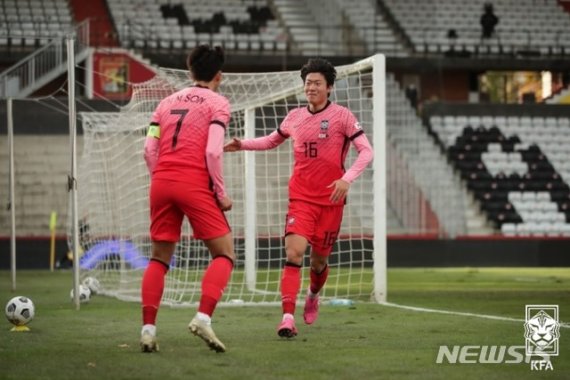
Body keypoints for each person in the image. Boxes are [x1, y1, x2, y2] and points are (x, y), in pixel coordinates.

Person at [224, 58, 373, 338]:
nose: (311, 87)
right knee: (294, 254)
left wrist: (346, 178)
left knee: (318, 263)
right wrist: (242, 143)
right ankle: (287, 318)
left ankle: (313, 295)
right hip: (301, 199)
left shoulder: (342, 116)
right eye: (308, 83)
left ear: (329, 87)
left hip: (331, 202)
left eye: (317, 83)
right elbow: (270, 140)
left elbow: (366, 151)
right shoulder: (294, 117)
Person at [141, 44, 235, 353]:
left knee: (158, 258)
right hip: (193, 182)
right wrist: (220, 193)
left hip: (162, 182)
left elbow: (149, 149)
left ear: (189, 68)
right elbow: (212, 151)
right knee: (224, 253)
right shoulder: (218, 103)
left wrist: (162, 178)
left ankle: (148, 330)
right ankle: (203, 317)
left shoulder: (165, 103)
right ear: (218, 76)